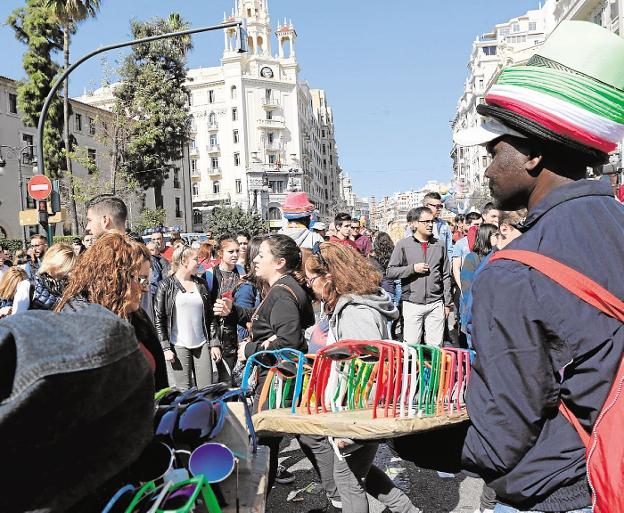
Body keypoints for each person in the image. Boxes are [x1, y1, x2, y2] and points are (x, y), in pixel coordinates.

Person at [394, 21, 624, 513]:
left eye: (494, 150)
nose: (486, 166)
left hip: (570, 492)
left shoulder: (515, 270)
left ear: (534, 153)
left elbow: (500, 441)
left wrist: (399, 439)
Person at [304, 242, 419, 513]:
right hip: (362, 405)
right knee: (358, 471)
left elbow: (369, 367)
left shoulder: (354, 310)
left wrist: (353, 424)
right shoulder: (352, 304)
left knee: (347, 477)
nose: (309, 285)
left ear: (328, 277)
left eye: (311, 279)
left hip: (364, 406)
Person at [215, 234, 315, 491]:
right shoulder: (282, 288)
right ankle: (341, 490)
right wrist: (235, 311)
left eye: (262, 255)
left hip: (276, 378)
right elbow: (264, 320)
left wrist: (250, 349)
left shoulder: (282, 293)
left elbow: (288, 342)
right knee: (293, 439)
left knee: (267, 441)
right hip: (280, 376)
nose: (254, 259)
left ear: (279, 262)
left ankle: (342, 491)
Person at [57, 232, 168, 390]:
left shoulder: (135, 315)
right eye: (141, 279)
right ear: (116, 278)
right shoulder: (78, 319)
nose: (146, 288)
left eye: (147, 280)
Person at [154, 245, 220, 391]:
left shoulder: (201, 284)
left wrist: (214, 343)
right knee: (184, 392)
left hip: (201, 343)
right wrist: (165, 347)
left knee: (207, 390)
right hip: (178, 344)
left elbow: (210, 316)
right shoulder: (165, 285)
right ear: (184, 261)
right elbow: (159, 319)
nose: (199, 263)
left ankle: (205, 414)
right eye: (195, 259)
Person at [387, 207, 452, 347]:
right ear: (414, 224)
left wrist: (447, 303)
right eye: (426, 221)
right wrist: (412, 269)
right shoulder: (403, 245)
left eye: (432, 221)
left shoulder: (439, 245)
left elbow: (446, 275)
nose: (430, 224)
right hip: (412, 303)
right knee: (411, 346)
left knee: (435, 347)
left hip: (435, 303)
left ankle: (433, 369)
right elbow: (390, 272)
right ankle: (411, 369)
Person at [204, 234, 244, 381]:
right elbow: (207, 311)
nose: (235, 255)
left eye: (237, 251)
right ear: (220, 253)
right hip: (220, 333)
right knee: (224, 379)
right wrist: (213, 341)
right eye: (231, 251)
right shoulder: (210, 275)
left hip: (239, 331)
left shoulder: (242, 271)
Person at [458, 224, 499, 347]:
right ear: (487, 237)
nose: (499, 237)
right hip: (475, 315)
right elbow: (467, 290)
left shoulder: (497, 256)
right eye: (496, 235)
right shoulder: (472, 258)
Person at [28, 242, 77, 311]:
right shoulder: (29, 286)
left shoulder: (69, 285)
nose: (68, 272)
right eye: (65, 266)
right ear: (55, 263)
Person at [451, 211, 483, 289]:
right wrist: (462, 288)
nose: (479, 227)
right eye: (476, 225)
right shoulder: (460, 243)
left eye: (481, 225)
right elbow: (456, 268)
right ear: (468, 225)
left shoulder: (485, 241)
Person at [423, 192, 453, 258]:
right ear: (427, 206)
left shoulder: (444, 225)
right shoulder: (417, 224)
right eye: (437, 206)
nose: (439, 209)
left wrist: (449, 266)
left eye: (441, 206)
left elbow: (449, 249)